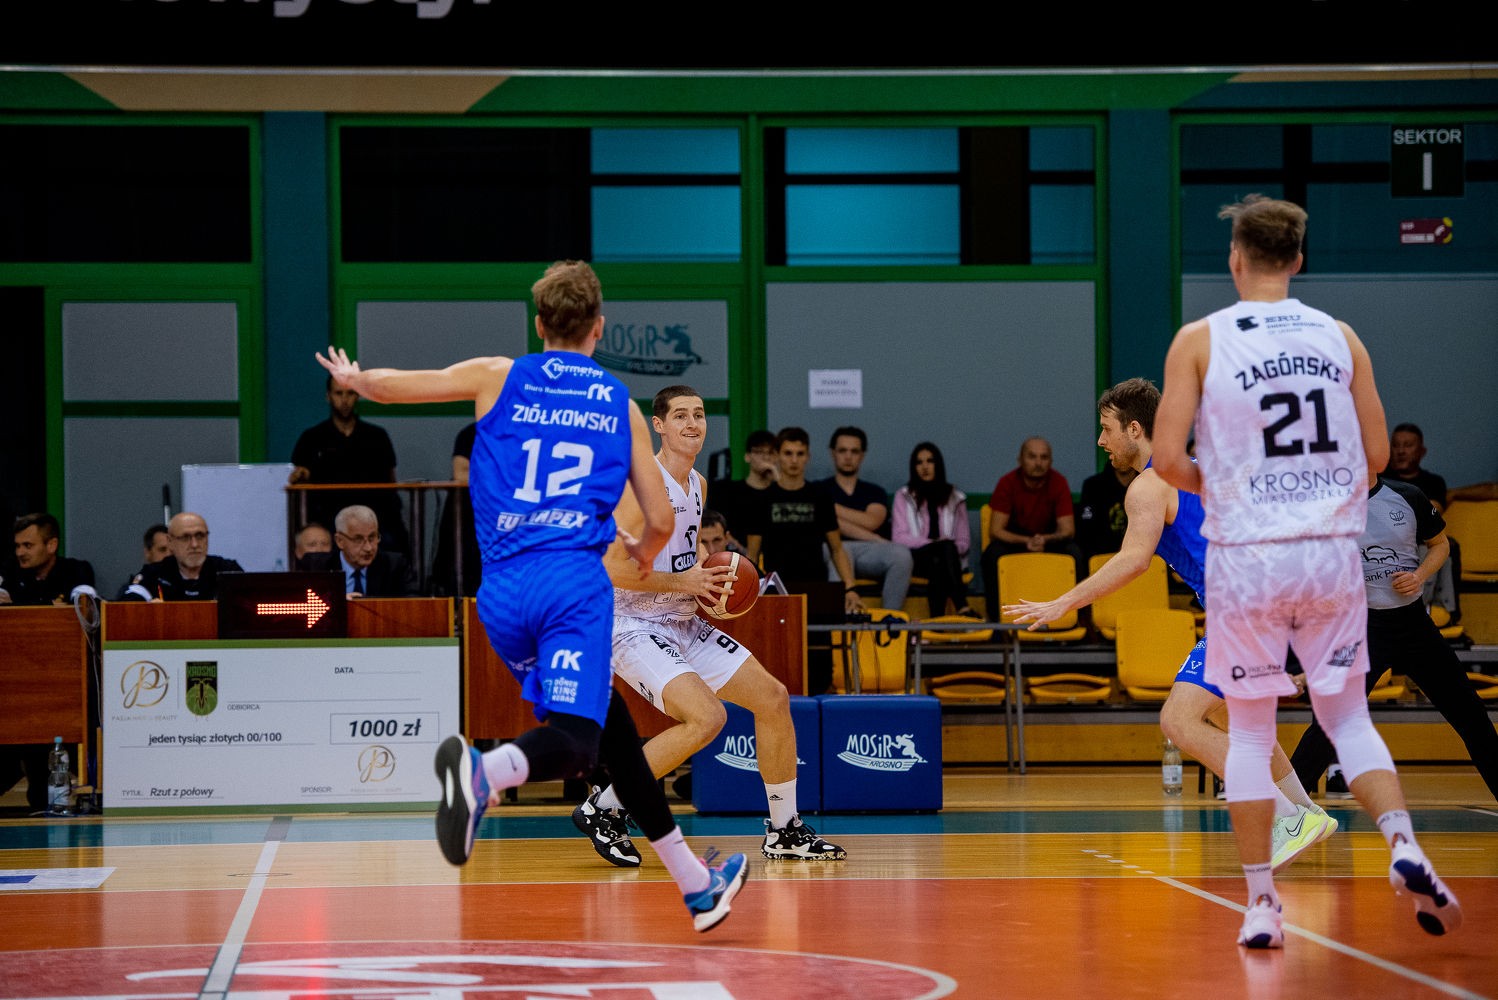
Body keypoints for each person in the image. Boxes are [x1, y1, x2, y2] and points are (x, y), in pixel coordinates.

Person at [316, 259, 749, 932]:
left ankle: (696, 885)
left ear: (539, 323)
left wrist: (354, 378)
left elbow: (395, 388)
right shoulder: (618, 403)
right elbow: (662, 519)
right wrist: (642, 550)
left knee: (613, 732)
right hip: (571, 586)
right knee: (576, 741)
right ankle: (484, 772)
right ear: (598, 328)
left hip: (501, 592)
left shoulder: (498, 374)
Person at [1152, 194, 1458, 946]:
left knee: (1251, 736)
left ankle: (1262, 904)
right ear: (1297, 259)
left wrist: (1229, 487)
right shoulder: (1340, 336)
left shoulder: (1199, 340)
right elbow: (1379, 460)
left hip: (1248, 561)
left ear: (1234, 259)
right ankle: (1403, 843)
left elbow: (1165, 461)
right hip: (1327, 555)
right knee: (1348, 718)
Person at [1005, 379, 1334, 874]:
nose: (1101, 440)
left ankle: (1284, 818)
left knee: (1177, 722)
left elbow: (1135, 559)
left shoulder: (1149, 484)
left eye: (1107, 429)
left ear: (1135, 429)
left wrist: (1065, 602)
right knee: (1231, 719)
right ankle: (1305, 810)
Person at [574, 385, 845, 867]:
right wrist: (685, 582)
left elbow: (691, 549)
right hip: (631, 623)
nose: (692, 423)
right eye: (680, 416)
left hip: (680, 617)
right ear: (659, 426)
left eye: (698, 415)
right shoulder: (640, 487)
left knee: (773, 698)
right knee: (707, 718)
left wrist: (711, 593)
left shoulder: (697, 483)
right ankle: (605, 806)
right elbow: (607, 567)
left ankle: (784, 830)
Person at [1290, 472, 1498, 801]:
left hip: (1415, 627)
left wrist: (1419, 576)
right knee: (1330, 723)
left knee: (1471, 715)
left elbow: (1440, 544)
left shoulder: (1409, 495)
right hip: (1364, 629)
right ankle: (1286, 812)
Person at [289, 376, 405, 554]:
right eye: (338, 393)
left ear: (357, 396)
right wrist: (301, 476)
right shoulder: (311, 438)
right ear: (328, 396)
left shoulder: (377, 436)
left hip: (372, 517)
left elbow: (390, 484)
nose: (344, 400)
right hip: (327, 518)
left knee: (391, 539)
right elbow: (298, 476)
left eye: (350, 393)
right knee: (318, 543)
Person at [981, 437, 1085, 619]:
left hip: (1048, 543)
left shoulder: (1058, 482)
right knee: (993, 553)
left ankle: (1078, 617)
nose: (1038, 463)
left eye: (1044, 457)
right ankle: (997, 619)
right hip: (1016, 544)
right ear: (1020, 460)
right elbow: (996, 531)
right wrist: (1027, 541)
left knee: (1074, 551)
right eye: (1032, 457)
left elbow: (1068, 531)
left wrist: (1044, 540)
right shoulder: (1007, 483)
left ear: (1050, 462)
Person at [819, 427, 912, 611]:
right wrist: (874, 538)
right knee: (840, 549)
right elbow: (830, 525)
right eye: (842, 450)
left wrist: (830, 508)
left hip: (869, 551)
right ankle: (842, 622)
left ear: (862, 455)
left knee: (902, 554)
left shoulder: (874, 491)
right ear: (833, 453)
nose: (848, 456)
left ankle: (890, 618)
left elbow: (872, 522)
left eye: (854, 451)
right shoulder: (819, 489)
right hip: (832, 547)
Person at [891, 443, 975, 619]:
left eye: (930, 461)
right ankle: (963, 606)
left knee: (939, 559)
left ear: (938, 465)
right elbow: (898, 537)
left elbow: (964, 542)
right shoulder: (903, 496)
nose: (925, 467)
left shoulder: (955, 497)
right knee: (943, 549)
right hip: (916, 559)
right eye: (919, 462)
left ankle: (937, 623)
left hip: (947, 560)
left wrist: (951, 546)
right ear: (914, 468)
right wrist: (932, 543)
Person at [297, 505, 420, 598]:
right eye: (358, 540)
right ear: (340, 541)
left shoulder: (394, 565)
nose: (368, 548)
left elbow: (414, 602)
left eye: (372, 538)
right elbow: (300, 604)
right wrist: (340, 604)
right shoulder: (316, 566)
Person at [122, 512, 243, 602]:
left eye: (200, 536)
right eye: (185, 537)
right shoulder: (155, 573)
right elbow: (127, 606)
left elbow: (248, 605)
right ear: (170, 541)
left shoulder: (227, 570)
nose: (194, 544)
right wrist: (147, 609)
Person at [0, 513, 97, 606]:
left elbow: (84, 608)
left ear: (52, 545)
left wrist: (14, 605)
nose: (19, 553)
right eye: (17, 546)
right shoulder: (10, 569)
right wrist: (48, 604)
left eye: (28, 545)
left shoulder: (76, 570)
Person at [711, 430, 778, 548]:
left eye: (771, 453)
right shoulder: (730, 492)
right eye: (759, 452)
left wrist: (777, 478)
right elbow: (715, 526)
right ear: (747, 456)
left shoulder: (778, 492)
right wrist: (738, 548)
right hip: (737, 553)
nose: (766, 457)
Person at [1076, 462, 1136, 560]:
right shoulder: (1093, 485)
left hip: (1144, 554)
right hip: (1103, 557)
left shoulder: (1151, 484)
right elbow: (1087, 532)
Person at [1387, 423, 1447, 510]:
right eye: (1395, 445)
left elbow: (1432, 513)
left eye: (1408, 445)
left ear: (1422, 452)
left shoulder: (1433, 483)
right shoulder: (1377, 480)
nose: (1400, 451)